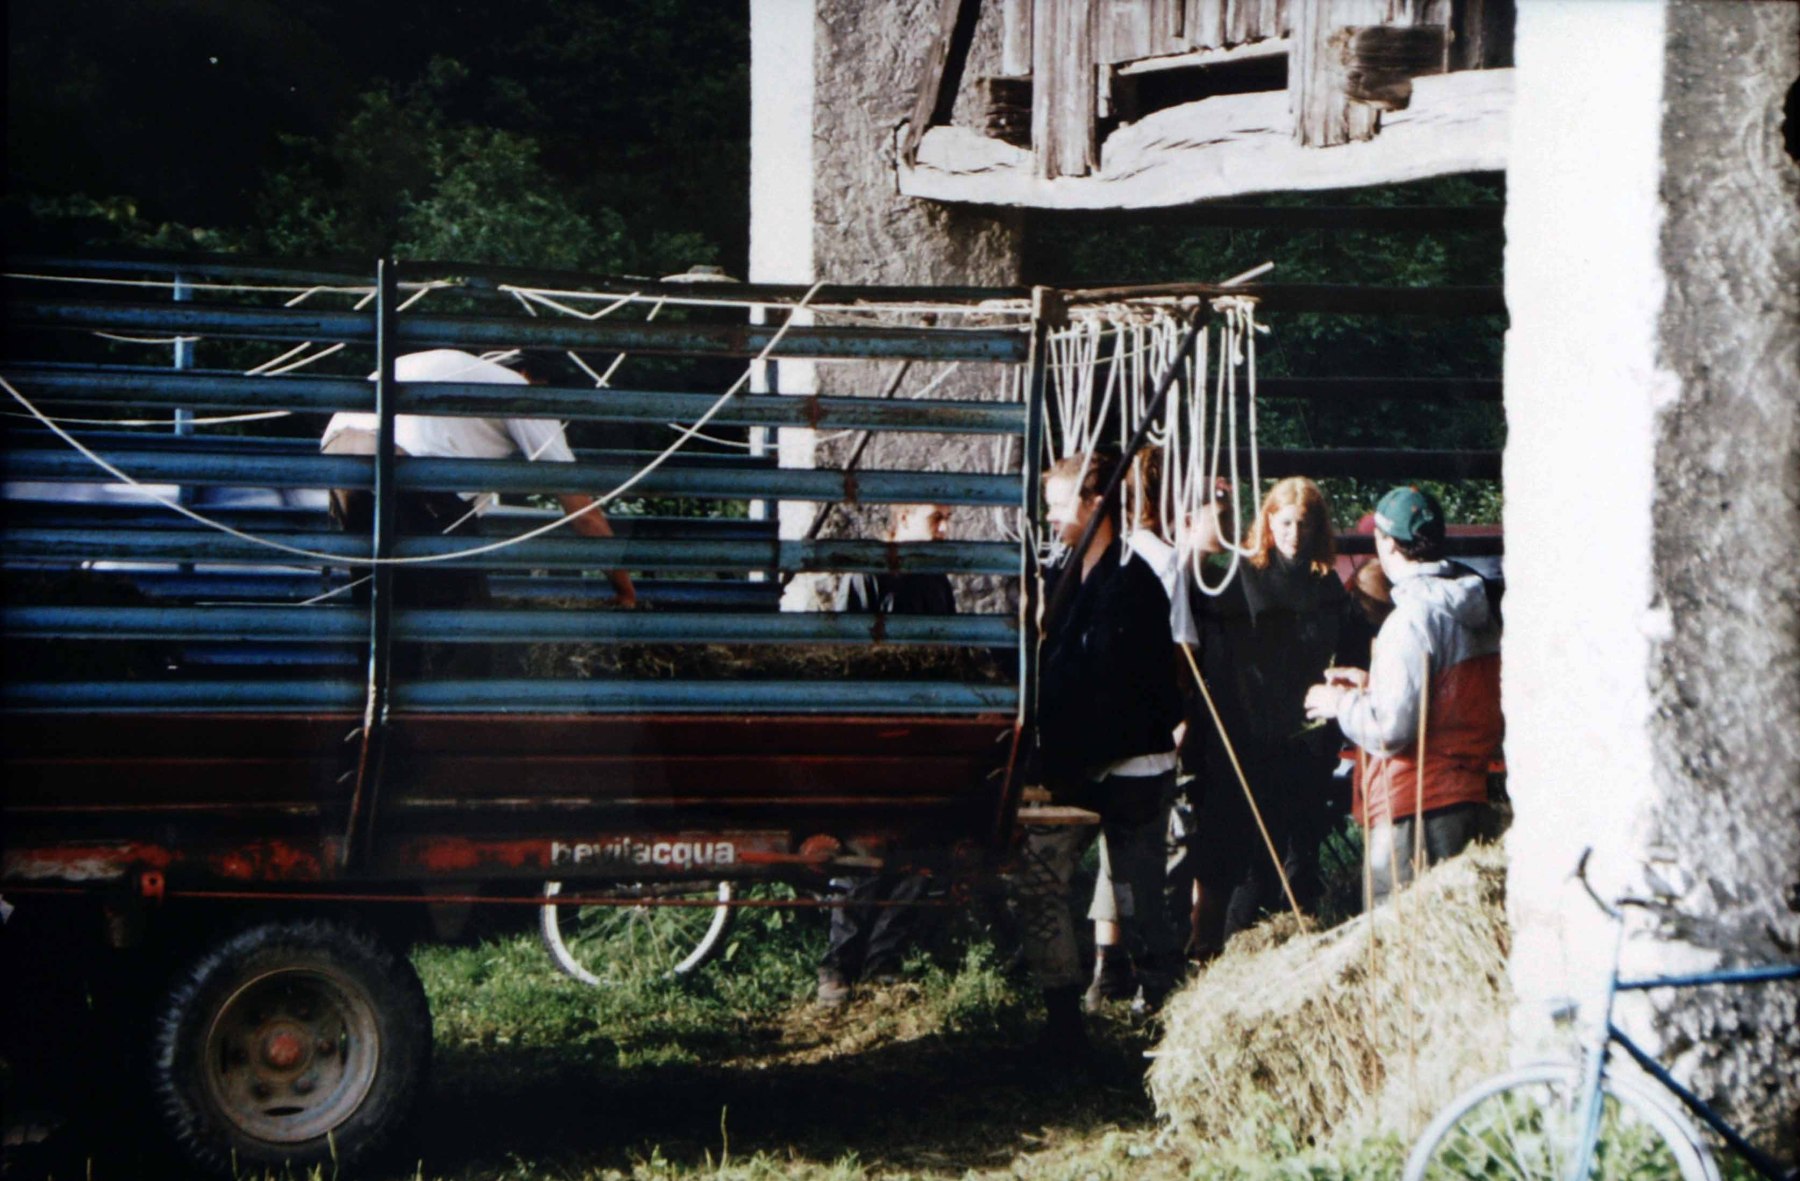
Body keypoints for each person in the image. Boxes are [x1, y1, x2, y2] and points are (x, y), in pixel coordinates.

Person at [1013, 452, 1183, 1059]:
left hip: (1129, 765)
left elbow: (1128, 693)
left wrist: (1066, 756)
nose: (1050, 518)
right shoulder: (1062, 577)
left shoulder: (1133, 586)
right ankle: (1063, 1018)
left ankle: (1165, 1018)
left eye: (1060, 505)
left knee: (1139, 899)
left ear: (1096, 506)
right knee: (1039, 877)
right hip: (1073, 765)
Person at [1176, 476, 1366, 952]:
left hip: (1302, 735)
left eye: (1304, 524)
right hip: (1240, 731)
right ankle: (1215, 951)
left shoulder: (1326, 586)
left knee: (1296, 852)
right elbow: (1208, 652)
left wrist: (1343, 687)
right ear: (1267, 521)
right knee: (1235, 854)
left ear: (1317, 527)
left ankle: (1291, 947)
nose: (1293, 535)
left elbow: (1351, 652)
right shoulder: (1240, 575)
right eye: (1284, 523)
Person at [321, 349, 637, 626]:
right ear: (531, 377)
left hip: (340, 452)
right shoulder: (520, 390)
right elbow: (582, 513)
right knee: (465, 618)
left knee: (377, 604)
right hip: (407, 466)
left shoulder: (460, 368)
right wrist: (624, 589)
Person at [1303, 485, 1502, 903]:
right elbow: (1448, 697)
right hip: (1468, 793)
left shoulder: (1409, 619)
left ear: (1387, 543)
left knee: (1403, 930)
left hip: (1415, 806)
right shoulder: (1473, 607)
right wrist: (1371, 685)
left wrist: (1339, 703)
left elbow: (1391, 730)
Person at [816, 503, 954, 1006]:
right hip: (875, 731)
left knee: (915, 844)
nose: (946, 530)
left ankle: (884, 962)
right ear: (903, 519)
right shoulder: (870, 573)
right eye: (936, 518)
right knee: (862, 845)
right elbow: (849, 655)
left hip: (923, 730)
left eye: (948, 519)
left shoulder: (936, 580)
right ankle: (838, 965)